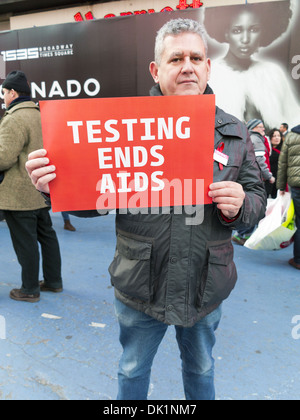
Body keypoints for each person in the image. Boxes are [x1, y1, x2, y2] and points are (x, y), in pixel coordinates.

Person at [26, 19, 266, 400]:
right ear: (156, 69)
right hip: (141, 284)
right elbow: (92, 203)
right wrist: (51, 186)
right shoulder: (124, 127)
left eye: (195, 57)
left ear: (207, 66)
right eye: (176, 58)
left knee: (201, 368)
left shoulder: (234, 131)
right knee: (133, 369)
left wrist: (242, 204)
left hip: (207, 284)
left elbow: (258, 198)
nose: (187, 66)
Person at [0, 70, 63, 302]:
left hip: (19, 196)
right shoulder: (40, 114)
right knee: (47, 236)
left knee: (25, 243)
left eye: (4, 93)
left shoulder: (14, 118)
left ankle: (29, 289)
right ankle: (54, 281)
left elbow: (4, 157)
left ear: (13, 92)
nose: (3, 97)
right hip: (42, 191)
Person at [204, 2, 300, 133]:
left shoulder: (273, 74)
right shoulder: (211, 75)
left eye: (254, 29)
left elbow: (294, 120)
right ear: (226, 33)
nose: (245, 39)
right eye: (237, 31)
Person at [232, 119, 274, 245]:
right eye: (261, 127)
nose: (263, 129)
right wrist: (269, 176)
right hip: (257, 179)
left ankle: (243, 234)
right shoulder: (256, 140)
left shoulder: (248, 138)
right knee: (255, 208)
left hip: (248, 178)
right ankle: (242, 234)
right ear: (254, 128)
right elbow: (260, 161)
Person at [277, 124, 300, 270]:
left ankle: (298, 260)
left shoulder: (291, 136)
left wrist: (280, 186)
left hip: (297, 186)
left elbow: (282, 163)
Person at [266, 128, 283, 198]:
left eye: (278, 136)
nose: (277, 138)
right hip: (268, 180)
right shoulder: (266, 150)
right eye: (274, 136)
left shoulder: (283, 149)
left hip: (279, 182)